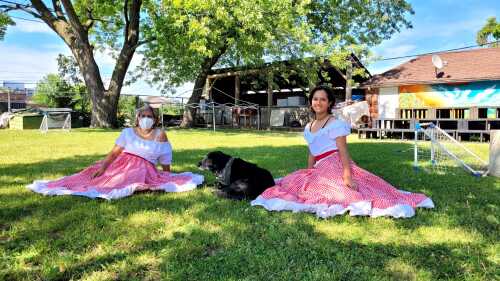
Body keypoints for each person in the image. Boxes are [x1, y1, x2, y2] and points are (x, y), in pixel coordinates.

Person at [251, 85, 434, 218]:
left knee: (344, 192)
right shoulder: (309, 126)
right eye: (315, 99)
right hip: (319, 167)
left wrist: (347, 175)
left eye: (323, 99)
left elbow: (343, 150)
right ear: (311, 102)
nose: (318, 102)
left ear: (329, 102)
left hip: (335, 163)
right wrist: (309, 171)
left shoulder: (335, 124)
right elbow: (312, 151)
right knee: (294, 184)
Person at [27, 105, 204, 200]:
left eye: (150, 116)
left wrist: (167, 176)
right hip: (121, 163)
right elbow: (114, 153)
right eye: (142, 115)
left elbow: (166, 157)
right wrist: (104, 166)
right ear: (137, 118)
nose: (146, 119)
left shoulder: (160, 134)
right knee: (91, 175)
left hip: (144, 167)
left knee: (128, 178)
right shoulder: (128, 132)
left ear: (156, 119)